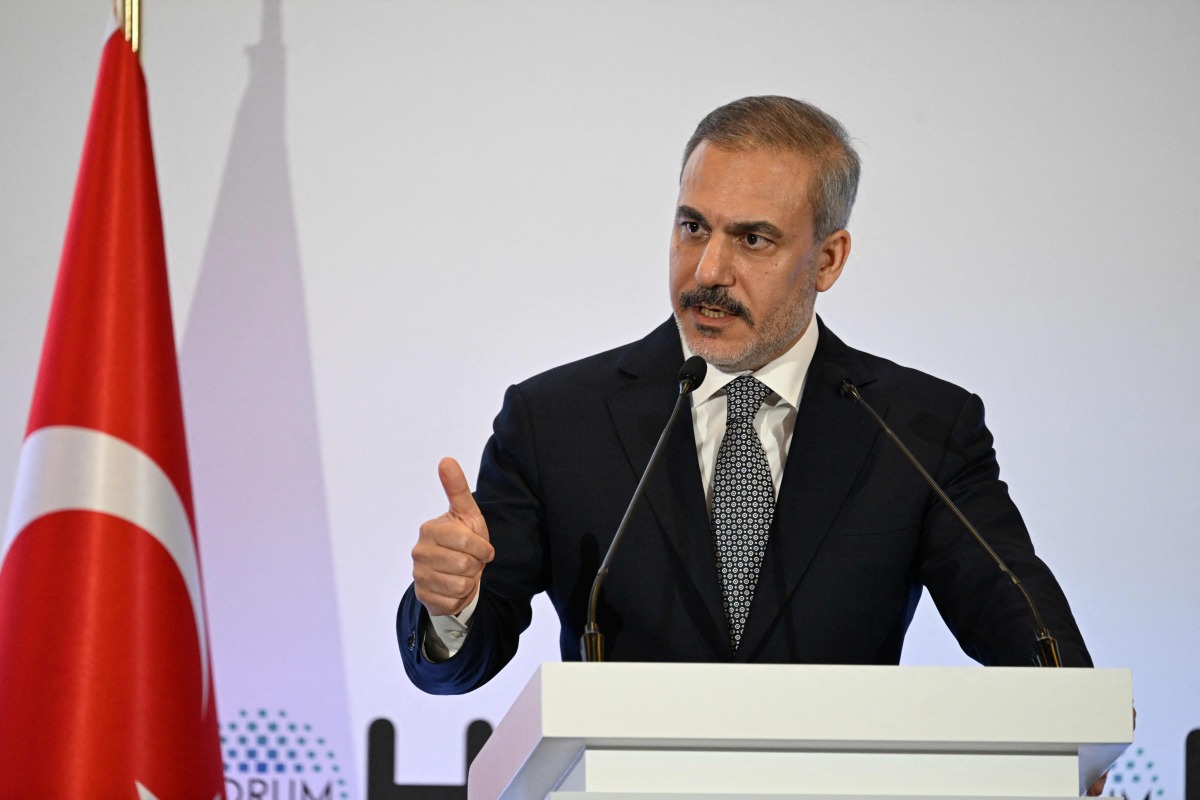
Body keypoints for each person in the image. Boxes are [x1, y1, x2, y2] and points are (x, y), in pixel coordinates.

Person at [397, 95, 1092, 696]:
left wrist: (1075, 718)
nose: (708, 269)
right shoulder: (557, 421)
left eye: (753, 239)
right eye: (693, 226)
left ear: (828, 259)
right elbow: (462, 661)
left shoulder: (920, 429)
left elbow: (1022, 624)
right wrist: (450, 605)